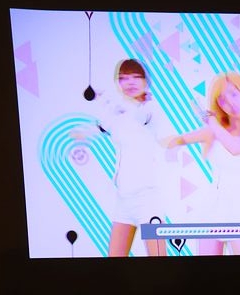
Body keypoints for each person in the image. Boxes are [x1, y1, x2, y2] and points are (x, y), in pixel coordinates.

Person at [72, 59, 176, 257]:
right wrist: (81, 131)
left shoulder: (151, 108)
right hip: (124, 198)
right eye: (124, 78)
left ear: (146, 81)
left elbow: (144, 118)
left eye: (136, 77)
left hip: (148, 198)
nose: (130, 82)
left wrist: (112, 103)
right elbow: (100, 127)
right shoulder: (117, 113)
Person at [169, 72, 240, 256]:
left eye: (234, 94)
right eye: (222, 100)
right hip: (210, 210)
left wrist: (213, 124)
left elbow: (237, 149)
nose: (230, 102)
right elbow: (177, 140)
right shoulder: (215, 130)